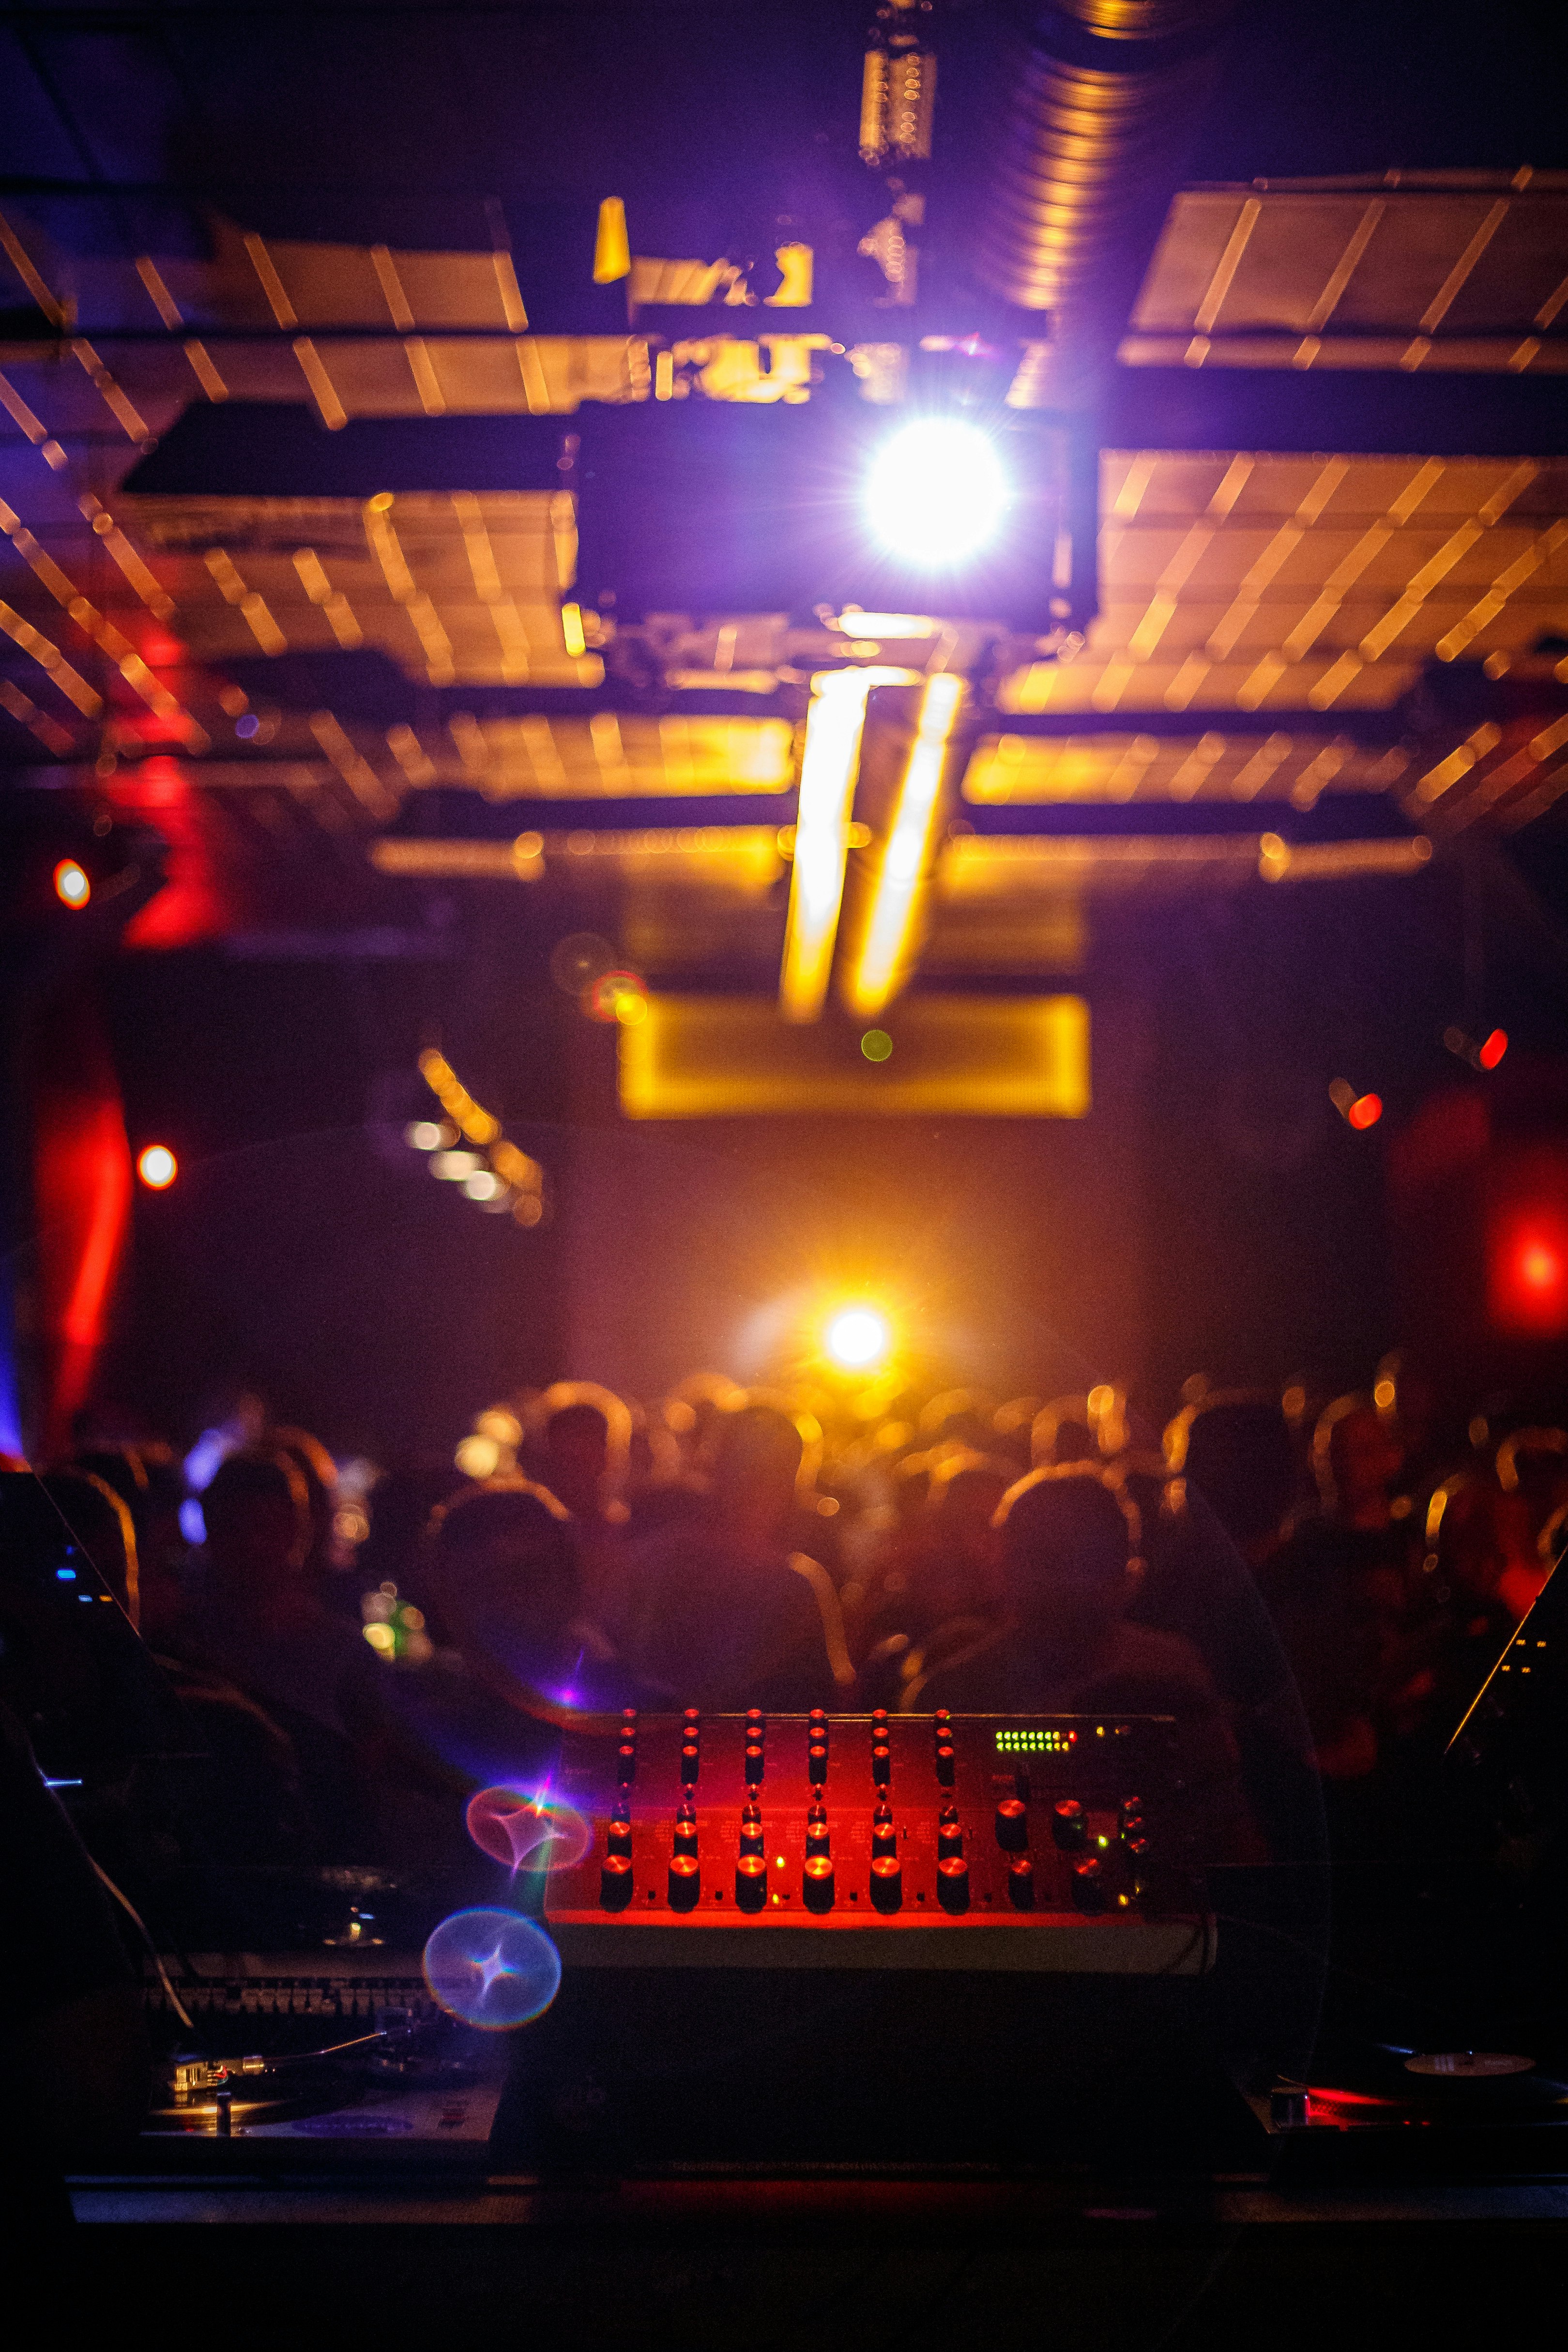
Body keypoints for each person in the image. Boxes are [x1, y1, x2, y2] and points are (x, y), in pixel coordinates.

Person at [623, 1405, 853, 1708]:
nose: (757, 1488)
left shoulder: (799, 1586)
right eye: (749, 1469)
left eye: (773, 1473)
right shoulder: (667, 1563)